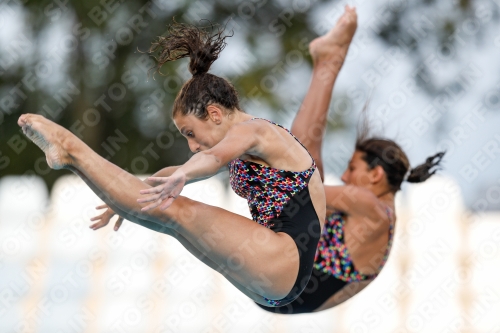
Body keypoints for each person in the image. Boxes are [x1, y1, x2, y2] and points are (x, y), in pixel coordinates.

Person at [17, 19, 326, 307]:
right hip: (274, 276)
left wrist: (177, 179)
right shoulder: (243, 147)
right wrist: (123, 194)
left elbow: (210, 158)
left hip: (284, 261)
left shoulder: (255, 131)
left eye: (191, 133)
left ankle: (71, 149)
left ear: (215, 114)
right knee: (168, 217)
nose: (191, 145)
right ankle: (72, 157)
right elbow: (176, 172)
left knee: (177, 210)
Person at [257, 6, 445, 314]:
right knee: (305, 165)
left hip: (285, 287)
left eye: (353, 167)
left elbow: (297, 186)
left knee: (302, 168)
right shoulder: (378, 217)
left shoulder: (371, 209)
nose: (344, 176)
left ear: (376, 175)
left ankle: (330, 63)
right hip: (284, 288)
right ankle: (328, 63)